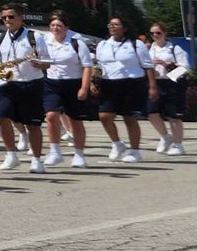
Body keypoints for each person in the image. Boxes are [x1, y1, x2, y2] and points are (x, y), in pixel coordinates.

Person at [0, 4, 49, 173]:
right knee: (1, 117)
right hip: (7, 84)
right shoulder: (0, 38)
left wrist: (39, 63)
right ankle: (11, 154)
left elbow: (48, 61)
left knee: (32, 124)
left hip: (31, 83)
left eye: (11, 17)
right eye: (4, 17)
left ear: (21, 18)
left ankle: (36, 159)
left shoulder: (34, 36)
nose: (7, 20)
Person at [93, 17, 156, 163]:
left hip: (132, 84)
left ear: (124, 28)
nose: (113, 27)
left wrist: (152, 86)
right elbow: (98, 66)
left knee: (130, 118)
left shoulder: (135, 44)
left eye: (116, 25)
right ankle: (117, 144)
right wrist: (93, 81)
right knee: (104, 116)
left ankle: (135, 151)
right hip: (109, 83)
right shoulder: (103, 44)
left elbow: (148, 66)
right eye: (110, 25)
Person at [37, 13, 95, 169]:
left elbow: (87, 66)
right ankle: (55, 151)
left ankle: (79, 154)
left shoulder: (76, 43)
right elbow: (43, 61)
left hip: (73, 83)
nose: (55, 28)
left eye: (59, 26)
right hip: (52, 83)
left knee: (75, 120)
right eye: (53, 25)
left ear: (66, 28)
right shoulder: (45, 41)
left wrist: (84, 87)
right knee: (51, 116)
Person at [144, 23, 188, 155]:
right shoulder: (150, 49)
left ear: (164, 33)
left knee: (173, 115)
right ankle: (165, 136)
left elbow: (184, 68)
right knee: (151, 111)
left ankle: (178, 144)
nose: (155, 36)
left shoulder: (174, 48)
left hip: (172, 82)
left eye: (158, 33)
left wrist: (166, 64)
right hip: (156, 82)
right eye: (152, 33)